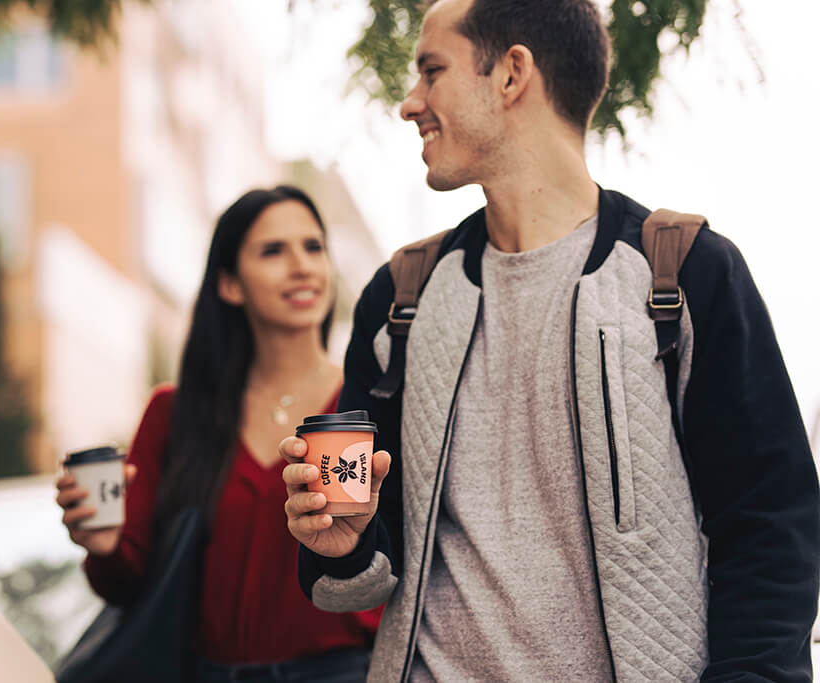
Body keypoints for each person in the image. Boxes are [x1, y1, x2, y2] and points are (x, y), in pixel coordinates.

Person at [281, 0, 820, 681]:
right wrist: (342, 546)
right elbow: (354, 585)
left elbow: (771, 532)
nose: (409, 102)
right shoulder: (398, 300)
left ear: (511, 75)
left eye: (432, 70)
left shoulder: (686, 274)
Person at [56, 185, 381, 682]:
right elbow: (132, 586)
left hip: (345, 673)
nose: (302, 266)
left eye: (313, 247)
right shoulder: (175, 414)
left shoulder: (371, 406)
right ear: (230, 284)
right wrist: (103, 546)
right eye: (273, 251)